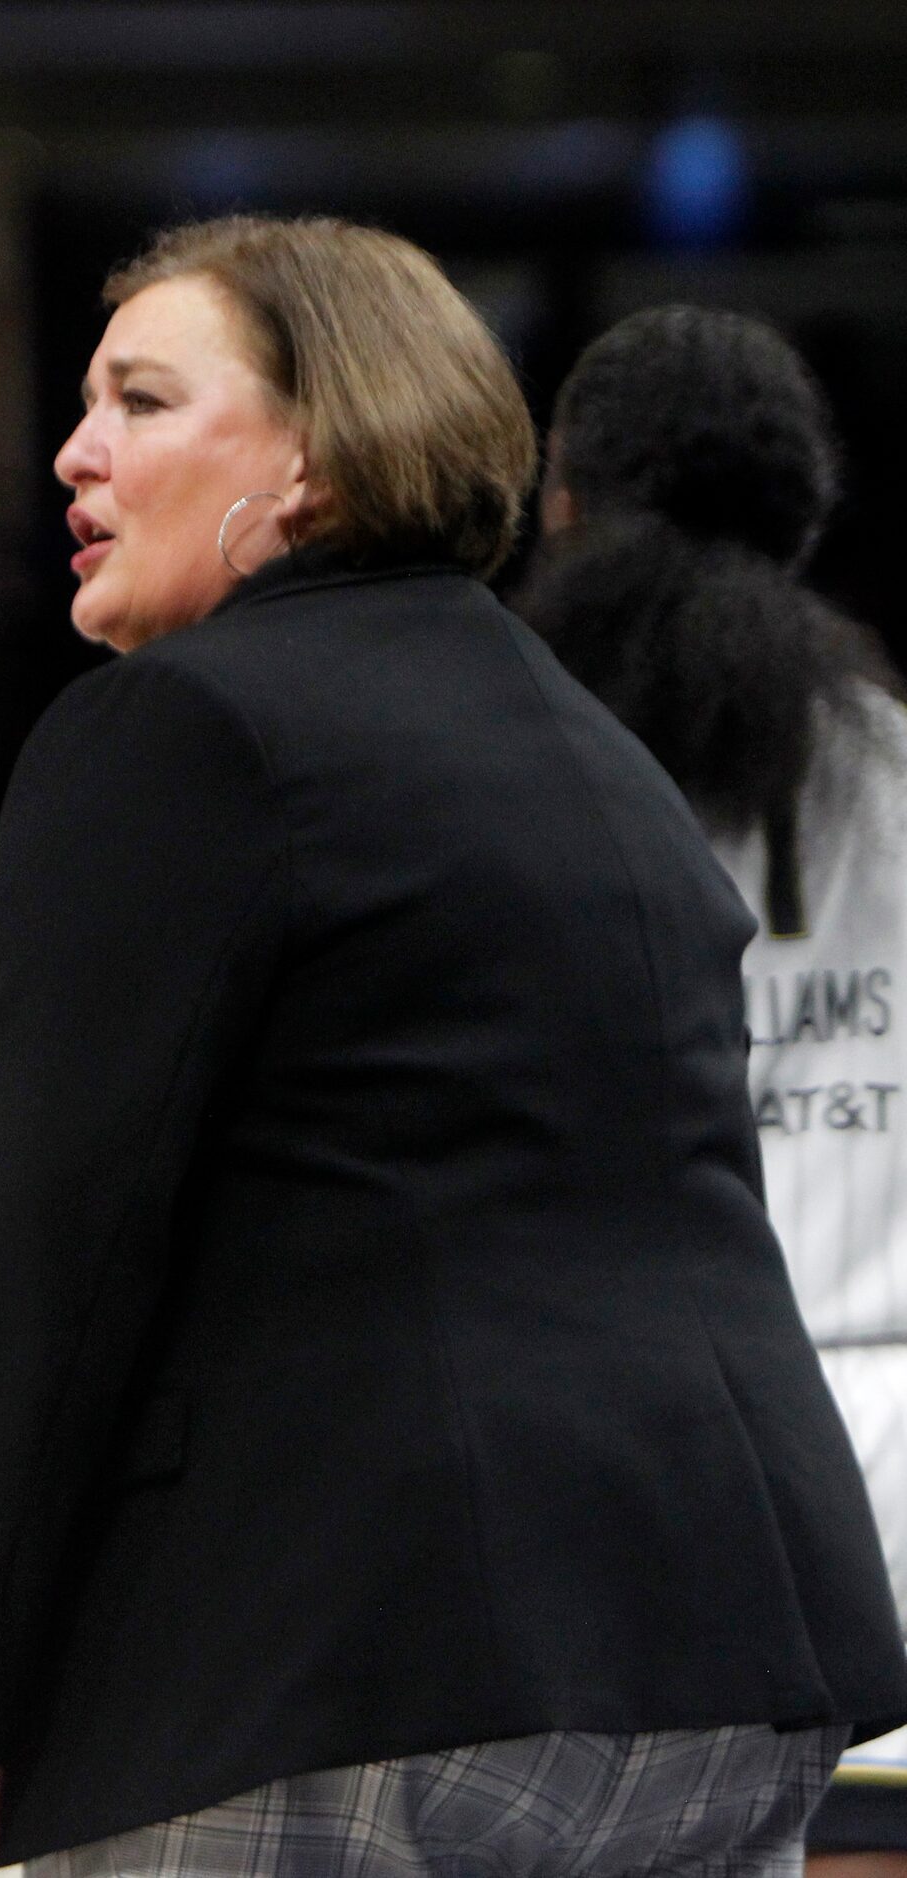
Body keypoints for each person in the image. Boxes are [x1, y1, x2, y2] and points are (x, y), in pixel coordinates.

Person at [0, 211, 907, 1878]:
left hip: (353, 1657)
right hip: (727, 1652)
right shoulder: (594, 753)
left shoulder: (181, 723)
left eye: (138, 401)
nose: (71, 454)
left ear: (315, 459)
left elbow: (33, 1226)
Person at [521, 304, 907, 1878]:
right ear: (803, 511)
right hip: (891, 1414)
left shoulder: (530, 771)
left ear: (564, 505)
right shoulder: (896, 758)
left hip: (637, 1437)